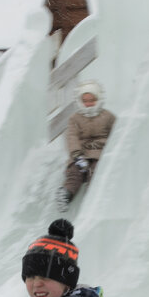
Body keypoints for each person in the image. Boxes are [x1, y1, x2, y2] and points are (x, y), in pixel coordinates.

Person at [57, 80, 116, 212]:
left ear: (98, 99)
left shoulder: (108, 116)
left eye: (92, 100)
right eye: (85, 100)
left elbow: (116, 133)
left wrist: (109, 148)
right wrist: (76, 155)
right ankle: (65, 194)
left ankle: (92, 201)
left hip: (99, 153)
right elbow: (72, 137)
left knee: (95, 173)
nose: (88, 103)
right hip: (80, 154)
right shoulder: (75, 118)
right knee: (74, 173)